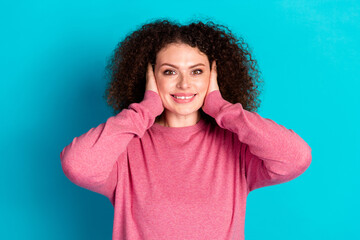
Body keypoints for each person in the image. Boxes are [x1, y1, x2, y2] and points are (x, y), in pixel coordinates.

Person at [60, 19, 312, 240]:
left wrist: (223, 109)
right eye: (169, 72)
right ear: (149, 78)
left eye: (197, 71)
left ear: (214, 76)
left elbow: (295, 158)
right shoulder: (124, 146)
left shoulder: (237, 147)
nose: (184, 83)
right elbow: (78, 165)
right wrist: (144, 110)